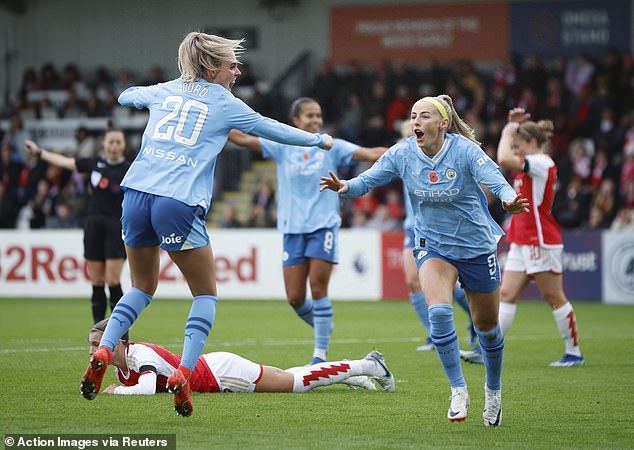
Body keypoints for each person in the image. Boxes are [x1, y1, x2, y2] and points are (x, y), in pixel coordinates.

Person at [80, 32, 334, 418]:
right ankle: (183, 373)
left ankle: (104, 349)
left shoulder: (167, 89)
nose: (237, 69)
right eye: (232, 64)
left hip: (134, 194)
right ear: (213, 68)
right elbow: (272, 128)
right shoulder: (225, 103)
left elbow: (126, 95)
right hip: (177, 200)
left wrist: (138, 96)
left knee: (142, 288)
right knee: (205, 295)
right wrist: (317, 142)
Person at [320, 95, 528, 426]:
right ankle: (458, 390)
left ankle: (493, 391)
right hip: (433, 245)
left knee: (487, 329)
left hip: (476, 246)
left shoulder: (463, 151)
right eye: (413, 115)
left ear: (443, 123)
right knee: (440, 313)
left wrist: (507, 199)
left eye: (425, 116)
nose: (416, 121)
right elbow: (370, 179)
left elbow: (494, 178)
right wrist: (345, 186)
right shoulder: (403, 152)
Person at [228, 97, 386, 365]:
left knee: (318, 287)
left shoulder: (330, 145)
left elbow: (370, 153)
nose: (316, 120)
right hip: (292, 230)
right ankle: (324, 326)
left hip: (323, 226)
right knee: (295, 298)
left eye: (318, 115)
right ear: (296, 121)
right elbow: (242, 139)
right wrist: (220, 119)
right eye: (310, 116)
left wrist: (406, 150)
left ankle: (319, 355)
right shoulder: (282, 145)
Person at [88, 319, 394, 396]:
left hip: (222, 375)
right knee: (291, 374)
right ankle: (354, 375)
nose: (93, 352)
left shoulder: (139, 354)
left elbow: (144, 388)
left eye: (98, 344)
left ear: (119, 342)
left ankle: (369, 364)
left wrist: (117, 393)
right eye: (91, 345)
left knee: (298, 382)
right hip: (216, 368)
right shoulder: (121, 367)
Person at [496, 108, 584, 367]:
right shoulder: (531, 165)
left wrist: (508, 128)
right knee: (506, 294)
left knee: (554, 296)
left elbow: (503, 158)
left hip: (539, 239)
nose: (516, 150)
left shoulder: (542, 162)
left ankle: (574, 352)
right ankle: (489, 349)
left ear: (532, 143)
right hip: (521, 240)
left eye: (519, 145)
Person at [24, 129, 131, 324]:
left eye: (118, 142)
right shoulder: (93, 164)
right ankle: (97, 330)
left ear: (123, 145)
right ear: (104, 144)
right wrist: (40, 152)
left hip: (116, 225)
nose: (114, 146)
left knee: (113, 280)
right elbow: (64, 162)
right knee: (97, 281)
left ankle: (120, 332)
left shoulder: (131, 168)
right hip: (94, 225)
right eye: (111, 142)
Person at [397, 121, 480, 359]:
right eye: (405, 135)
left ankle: (475, 323)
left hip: (437, 228)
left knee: (448, 288)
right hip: (412, 227)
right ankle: (433, 335)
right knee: (414, 281)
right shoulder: (402, 155)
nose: (411, 138)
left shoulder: (443, 155)